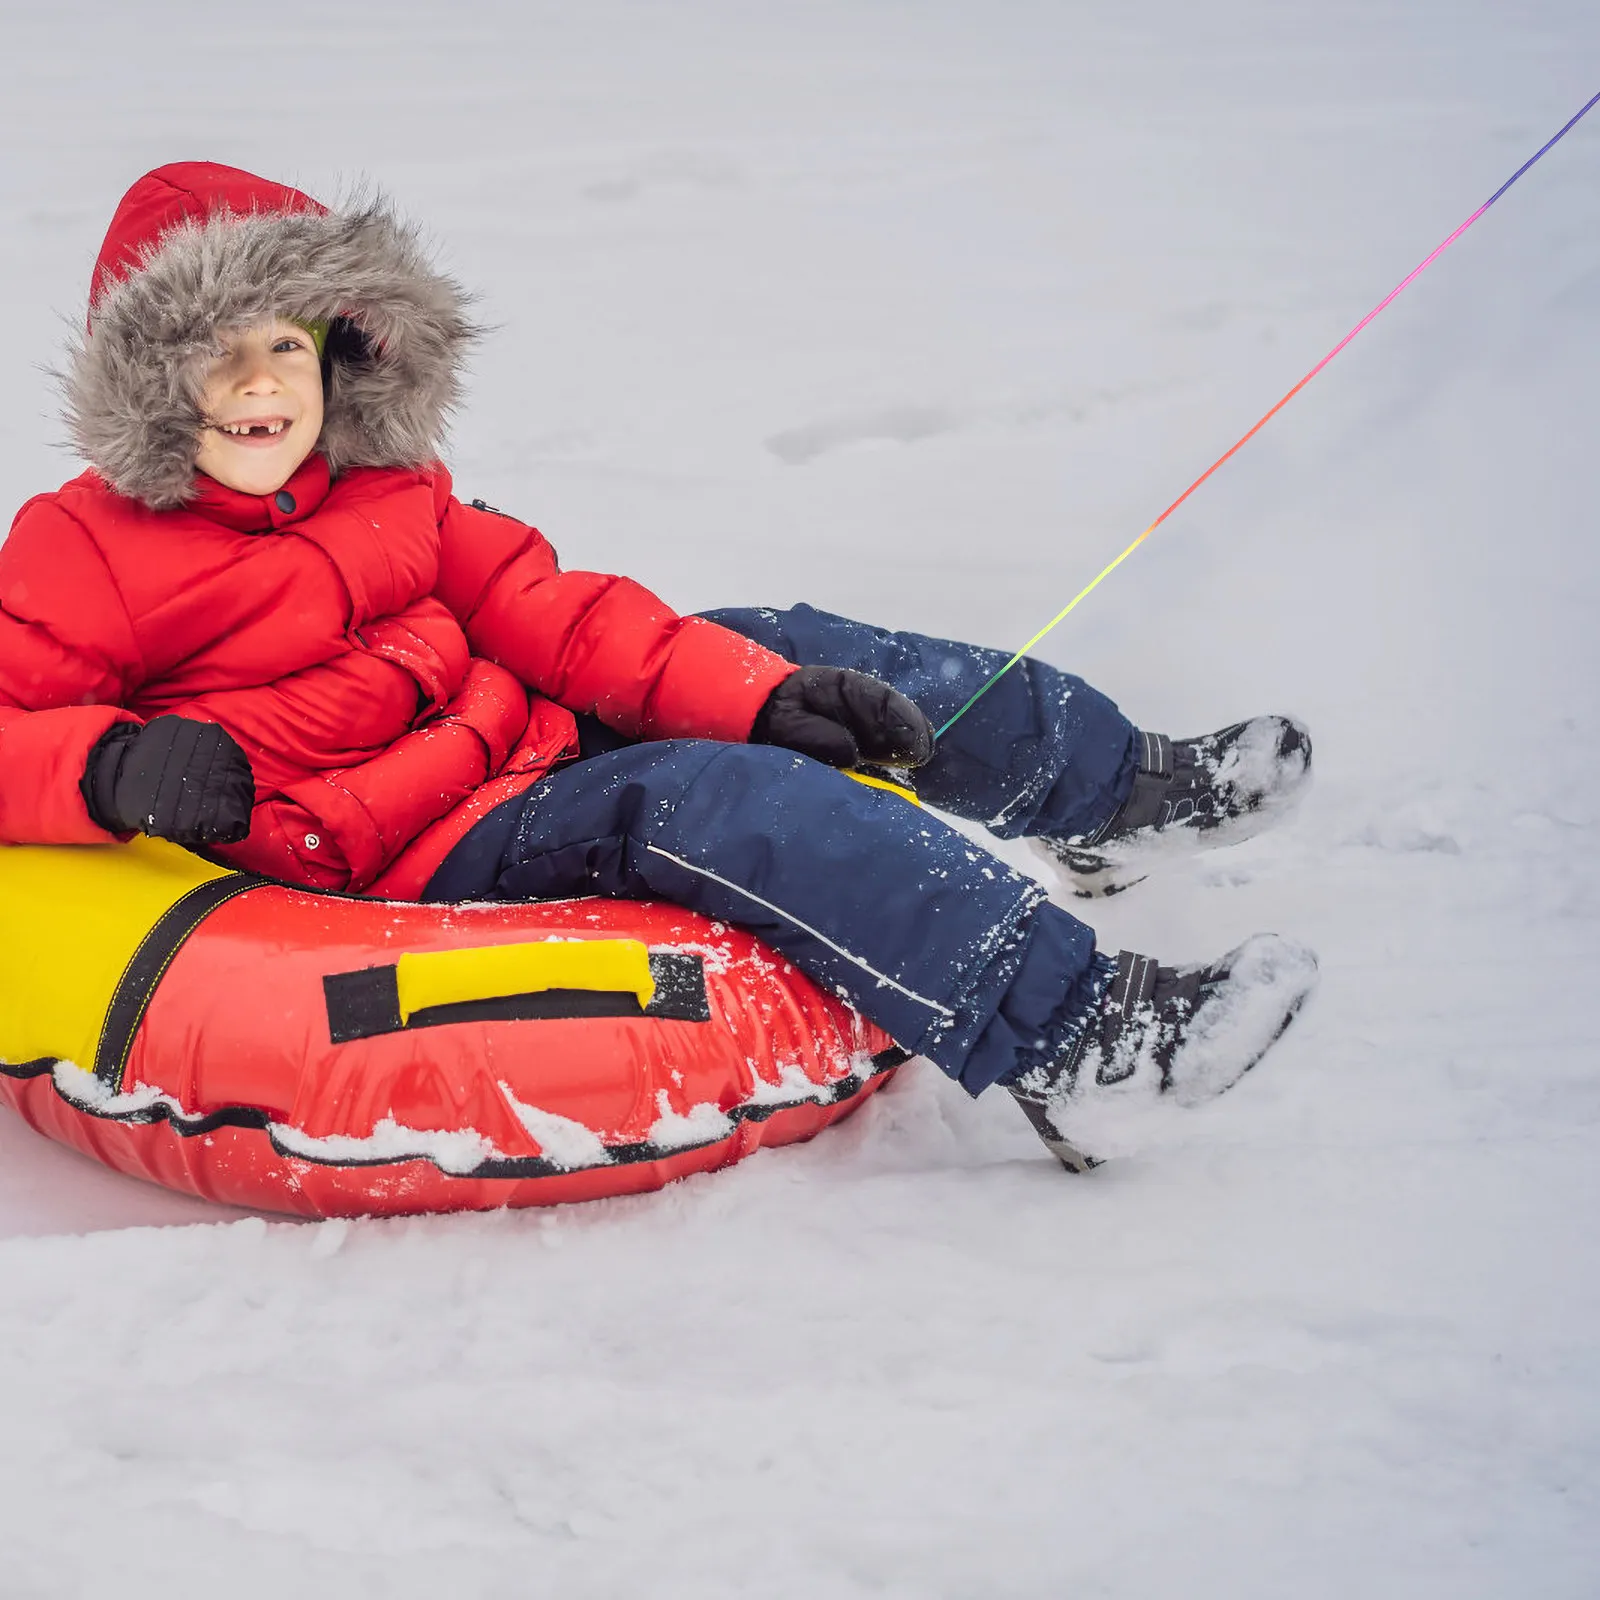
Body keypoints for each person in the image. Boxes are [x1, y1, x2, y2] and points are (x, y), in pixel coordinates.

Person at [0, 162, 1317, 1173]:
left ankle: (1118, 788)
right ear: (148, 378)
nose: (261, 386)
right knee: (717, 803)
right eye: (216, 352)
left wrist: (760, 694)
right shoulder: (82, 549)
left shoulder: (386, 484)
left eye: (286, 343)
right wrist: (109, 768)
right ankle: (1083, 1040)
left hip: (515, 736)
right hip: (405, 845)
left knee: (784, 643)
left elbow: (546, 610)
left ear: (338, 351)